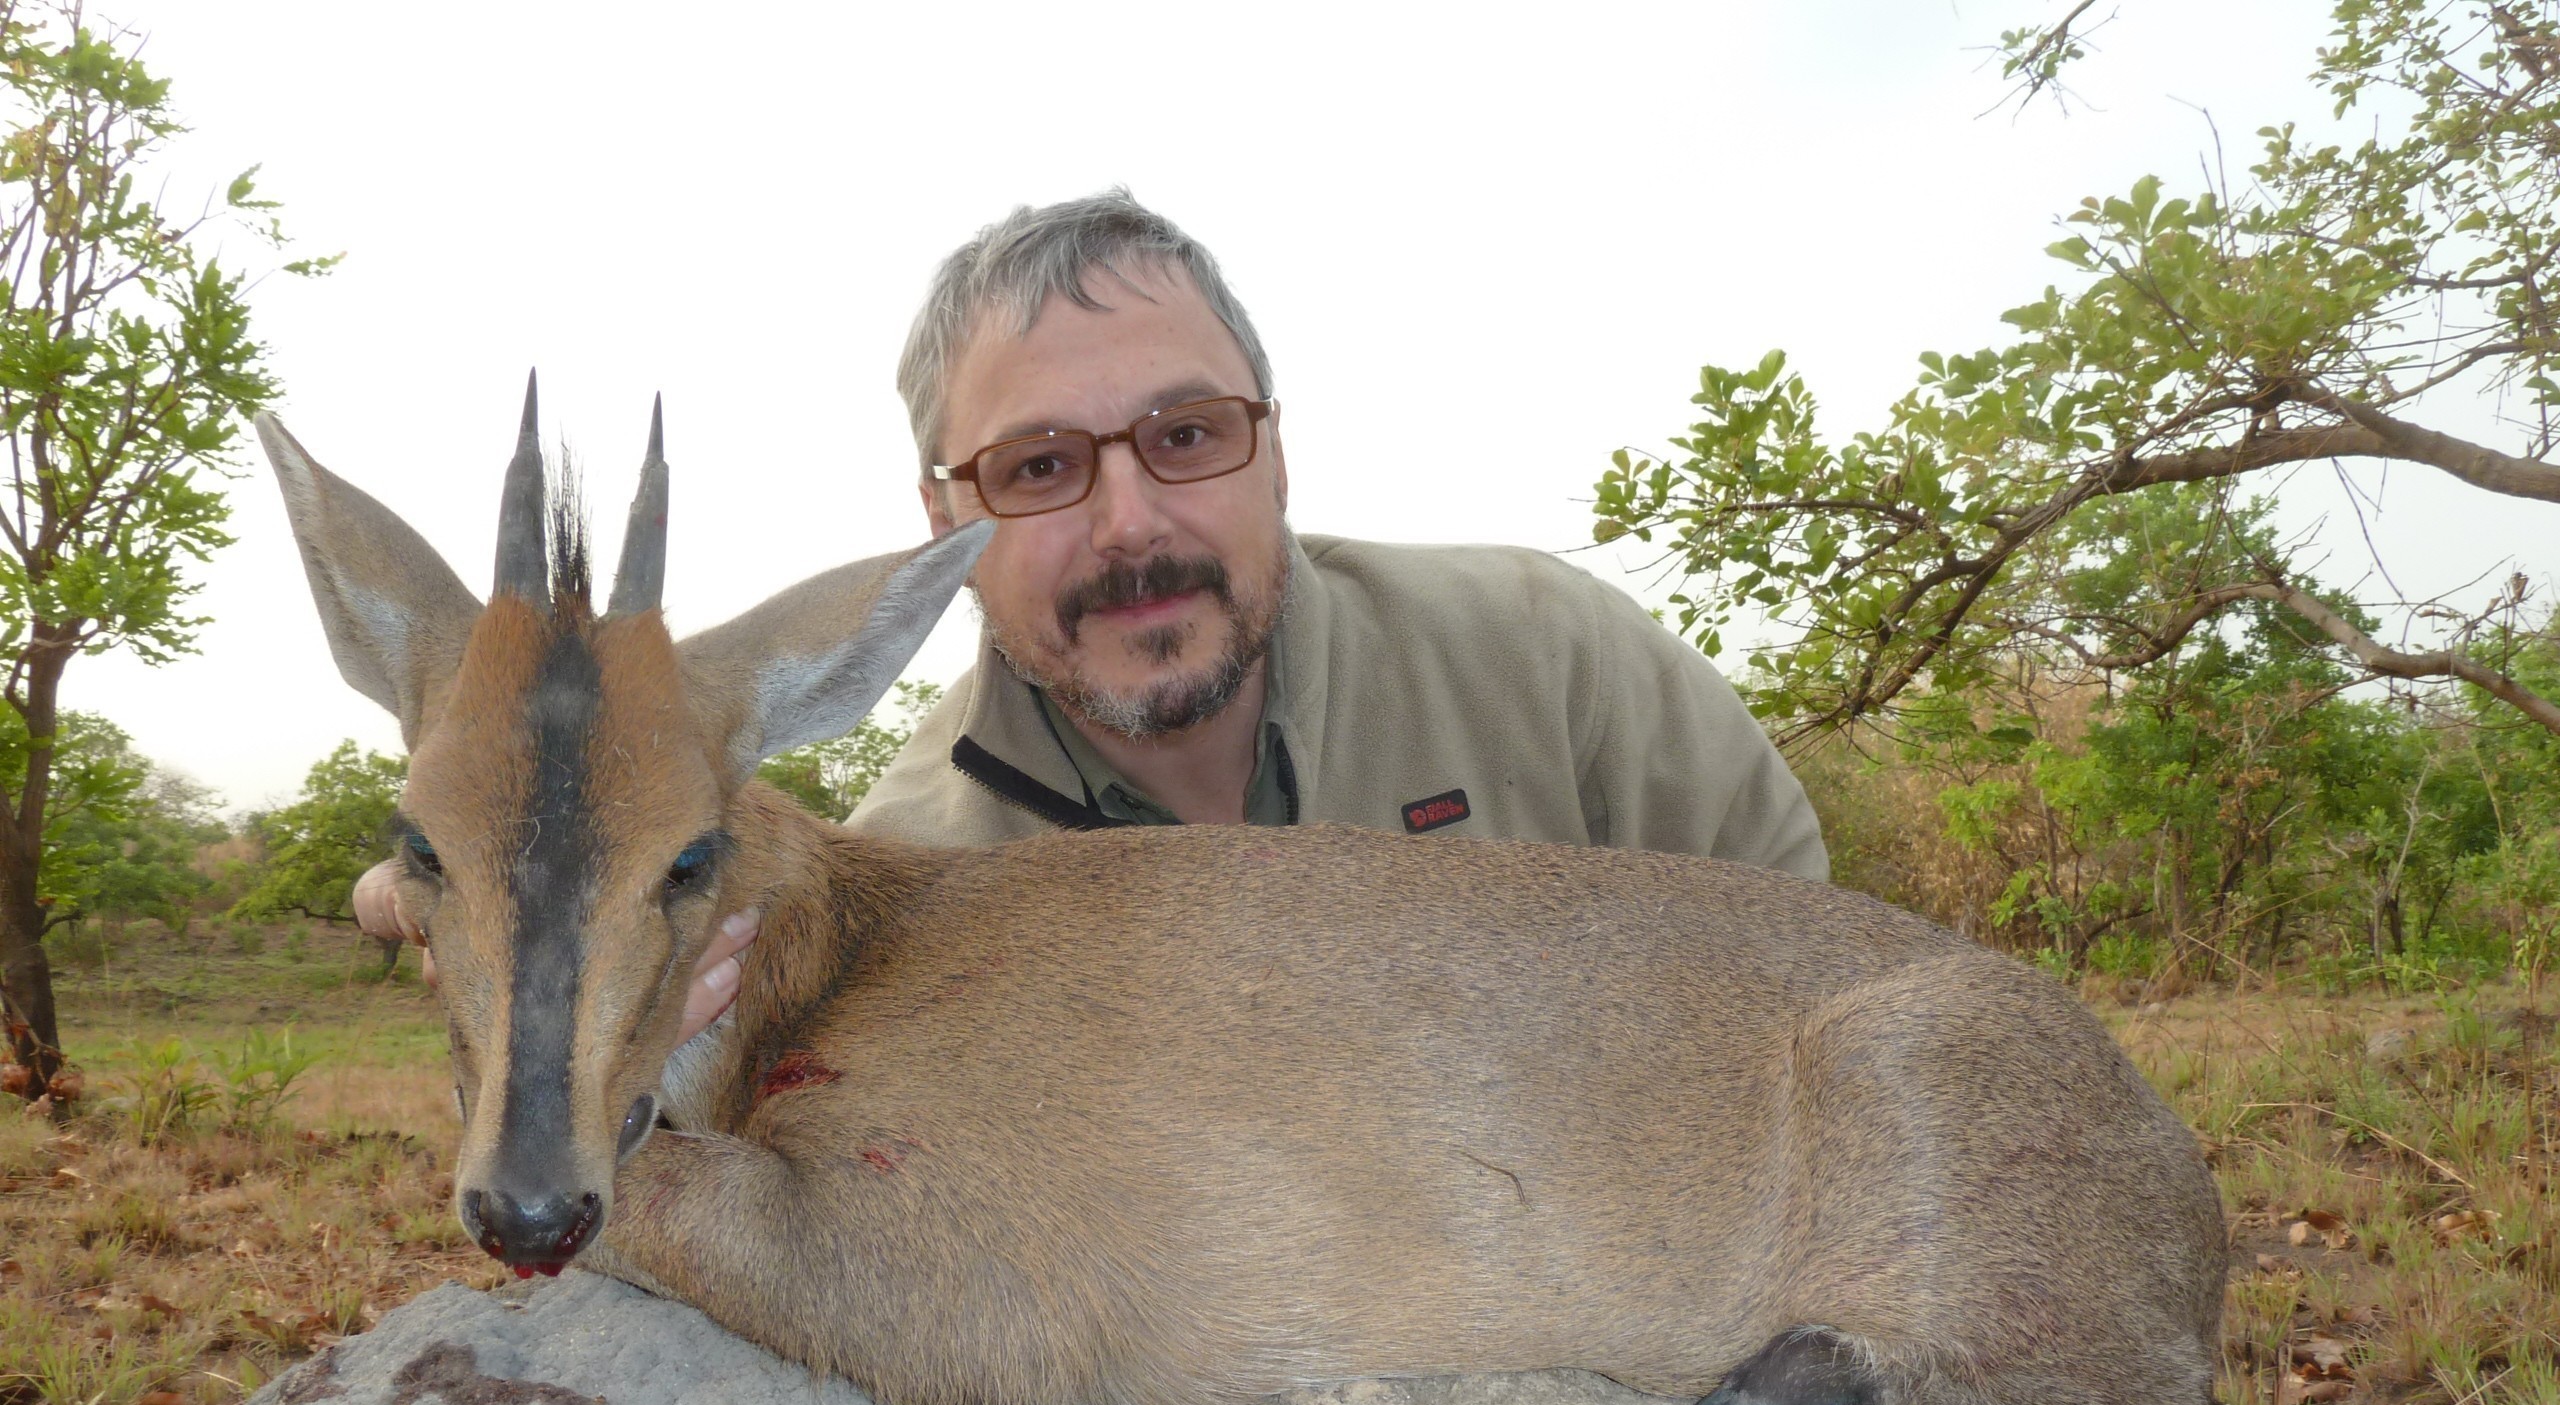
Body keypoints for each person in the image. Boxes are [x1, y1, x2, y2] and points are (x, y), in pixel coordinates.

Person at [354, 190, 1826, 1034]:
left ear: (1275, 447)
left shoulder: (1553, 660)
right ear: (945, 523)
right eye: (1042, 468)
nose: (1132, 523)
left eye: (1187, 435)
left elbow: (1820, 986)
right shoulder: (921, 863)